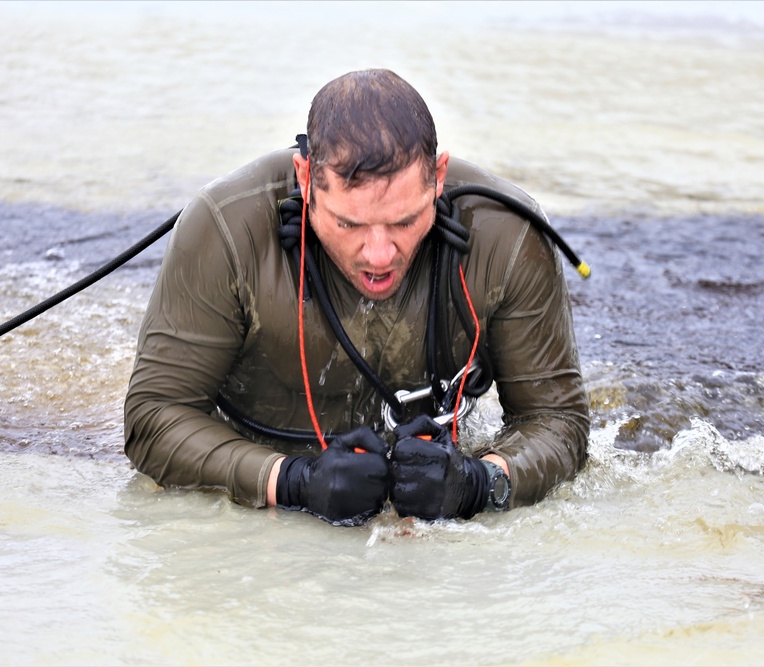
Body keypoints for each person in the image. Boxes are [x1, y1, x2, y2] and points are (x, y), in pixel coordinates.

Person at [124, 69, 589, 526]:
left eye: (405, 221)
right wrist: (289, 481)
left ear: (438, 177)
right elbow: (154, 417)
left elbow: (557, 420)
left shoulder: (507, 234)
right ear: (306, 179)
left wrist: (478, 483)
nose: (380, 255)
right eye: (349, 224)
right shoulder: (225, 228)